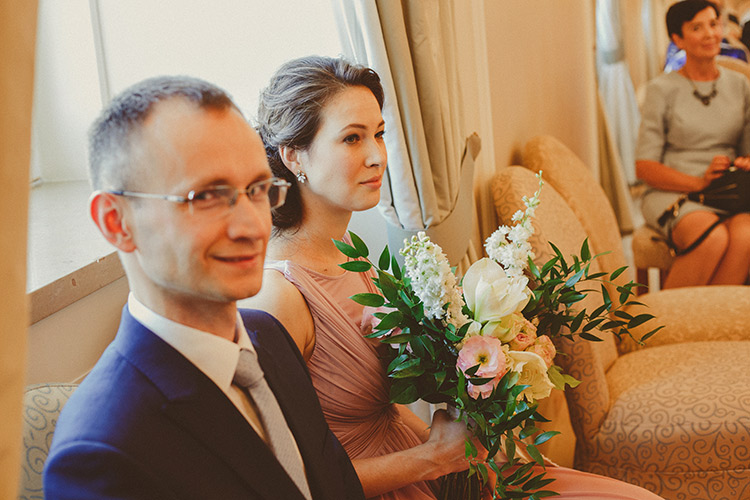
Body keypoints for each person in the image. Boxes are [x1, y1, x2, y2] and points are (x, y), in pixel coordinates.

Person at [246, 55, 664, 500]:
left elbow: (383, 415)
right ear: (294, 155)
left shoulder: (353, 255)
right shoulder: (279, 298)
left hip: (421, 466)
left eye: (379, 134)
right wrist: (435, 457)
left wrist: (466, 446)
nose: (377, 156)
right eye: (352, 138)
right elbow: (286, 482)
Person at [43, 76, 365, 500]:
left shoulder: (269, 336)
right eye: (207, 196)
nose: (252, 226)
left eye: (257, 190)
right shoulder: (104, 452)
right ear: (116, 221)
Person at [636, 0, 750, 288]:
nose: (710, 34)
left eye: (713, 24)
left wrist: (745, 162)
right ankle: (664, 317)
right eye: (697, 28)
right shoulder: (661, 90)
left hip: (727, 191)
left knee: (746, 236)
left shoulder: (740, 85)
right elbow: (644, 167)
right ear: (678, 39)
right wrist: (699, 183)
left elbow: (747, 150)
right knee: (712, 237)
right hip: (673, 190)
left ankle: (711, 316)